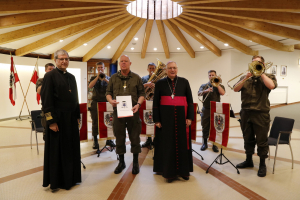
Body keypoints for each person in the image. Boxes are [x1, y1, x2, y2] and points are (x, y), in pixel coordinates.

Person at [41, 49, 81, 191]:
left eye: (66, 59)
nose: (64, 61)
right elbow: (46, 101)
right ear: (56, 60)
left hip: (70, 119)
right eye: (61, 59)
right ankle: (57, 181)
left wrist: (77, 116)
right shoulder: (50, 76)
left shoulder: (71, 77)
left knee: (70, 149)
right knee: (58, 151)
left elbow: (75, 99)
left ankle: (71, 178)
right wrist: (51, 121)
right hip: (57, 120)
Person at [234, 55, 277, 177]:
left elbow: (271, 86)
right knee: (247, 138)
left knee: (261, 140)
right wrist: (246, 77)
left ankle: (262, 164)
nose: (255, 64)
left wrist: (261, 73)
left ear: (263, 64)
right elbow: (235, 89)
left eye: (258, 63)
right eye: (253, 63)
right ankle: (249, 160)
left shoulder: (269, 77)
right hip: (246, 112)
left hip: (261, 113)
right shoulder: (245, 77)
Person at [153, 61, 194, 183]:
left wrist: (190, 117)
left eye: (174, 68)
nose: (172, 70)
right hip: (165, 119)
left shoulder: (184, 81)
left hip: (182, 118)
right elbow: (155, 103)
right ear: (165, 70)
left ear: (177, 69)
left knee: (182, 144)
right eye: (170, 68)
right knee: (167, 145)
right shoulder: (160, 83)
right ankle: (168, 173)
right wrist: (157, 119)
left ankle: (183, 171)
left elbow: (190, 101)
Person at [106, 55, 145, 175]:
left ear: (130, 63)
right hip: (118, 113)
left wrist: (138, 104)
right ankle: (121, 162)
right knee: (119, 138)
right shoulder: (113, 78)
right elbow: (108, 93)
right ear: (119, 64)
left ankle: (135, 162)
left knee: (135, 137)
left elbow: (142, 94)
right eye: (121, 61)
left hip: (133, 112)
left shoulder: (137, 77)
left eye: (126, 61)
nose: (123, 63)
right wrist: (110, 100)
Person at [88, 62, 115, 150]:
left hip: (106, 103)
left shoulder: (108, 78)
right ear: (97, 68)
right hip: (96, 102)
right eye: (98, 67)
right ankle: (95, 141)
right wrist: (97, 77)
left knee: (108, 121)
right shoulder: (93, 77)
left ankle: (109, 140)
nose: (100, 69)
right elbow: (90, 86)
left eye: (101, 67)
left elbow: (113, 86)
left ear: (104, 68)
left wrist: (104, 79)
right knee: (95, 122)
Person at [198, 70, 225, 153]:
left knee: (216, 127)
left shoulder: (219, 85)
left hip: (216, 109)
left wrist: (217, 84)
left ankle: (214, 144)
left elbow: (222, 93)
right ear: (208, 76)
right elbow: (199, 93)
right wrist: (206, 90)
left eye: (213, 75)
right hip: (206, 109)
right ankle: (205, 143)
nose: (211, 76)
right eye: (210, 75)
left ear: (216, 75)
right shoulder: (204, 85)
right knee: (205, 126)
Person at [36, 63, 55, 140]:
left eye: (53, 69)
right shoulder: (41, 80)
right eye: (50, 69)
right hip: (47, 109)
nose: (51, 71)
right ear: (46, 70)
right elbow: (39, 91)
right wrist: (48, 81)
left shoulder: (58, 80)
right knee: (47, 131)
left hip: (57, 108)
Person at [141, 62, 156, 148]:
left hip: (155, 102)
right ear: (147, 69)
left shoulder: (159, 78)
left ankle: (155, 140)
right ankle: (148, 140)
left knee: (155, 121)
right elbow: (139, 88)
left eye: (153, 68)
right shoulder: (144, 78)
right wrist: (146, 85)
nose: (152, 70)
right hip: (146, 102)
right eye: (150, 68)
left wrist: (155, 86)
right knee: (147, 120)